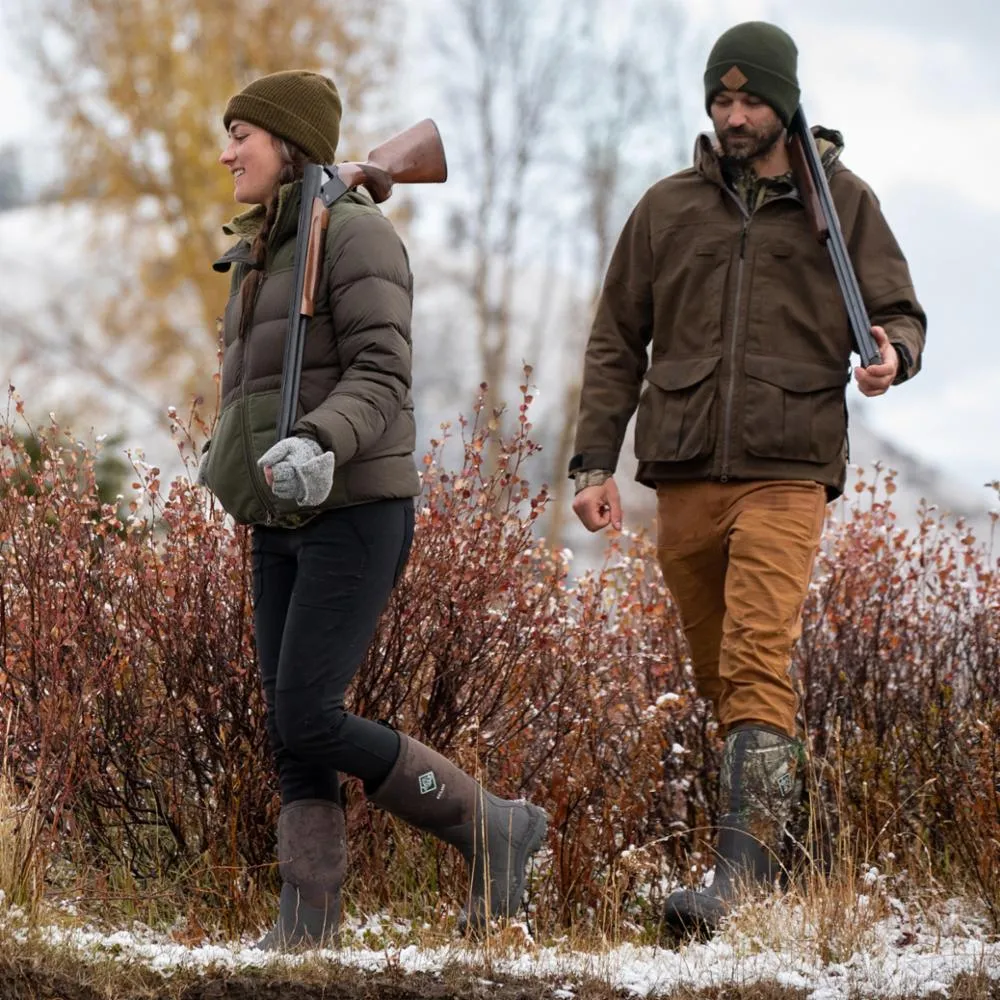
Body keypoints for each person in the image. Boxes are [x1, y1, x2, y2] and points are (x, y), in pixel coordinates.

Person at [568, 23, 925, 934]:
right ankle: (801, 856)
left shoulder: (844, 204)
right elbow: (616, 341)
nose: (732, 116)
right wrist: (592, 461)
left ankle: (739, 889)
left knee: (758, 658)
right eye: (720, 101)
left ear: (785, 103)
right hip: (682, 468)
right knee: (722, 676)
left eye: (750, 101)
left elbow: (896, 316)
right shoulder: (665, 208)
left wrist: (893, 355)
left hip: (789, 467)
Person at [200, 70, 547, 950]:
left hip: (352, 506)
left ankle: (494, 827)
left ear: (289, 143)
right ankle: (306, 934)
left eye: (242, 132)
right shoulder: (268, 247)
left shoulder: (353, 237)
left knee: (310, 712)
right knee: (291, 729)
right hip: (279, 513)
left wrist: (317, 441)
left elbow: (383, 375)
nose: (226, 150)